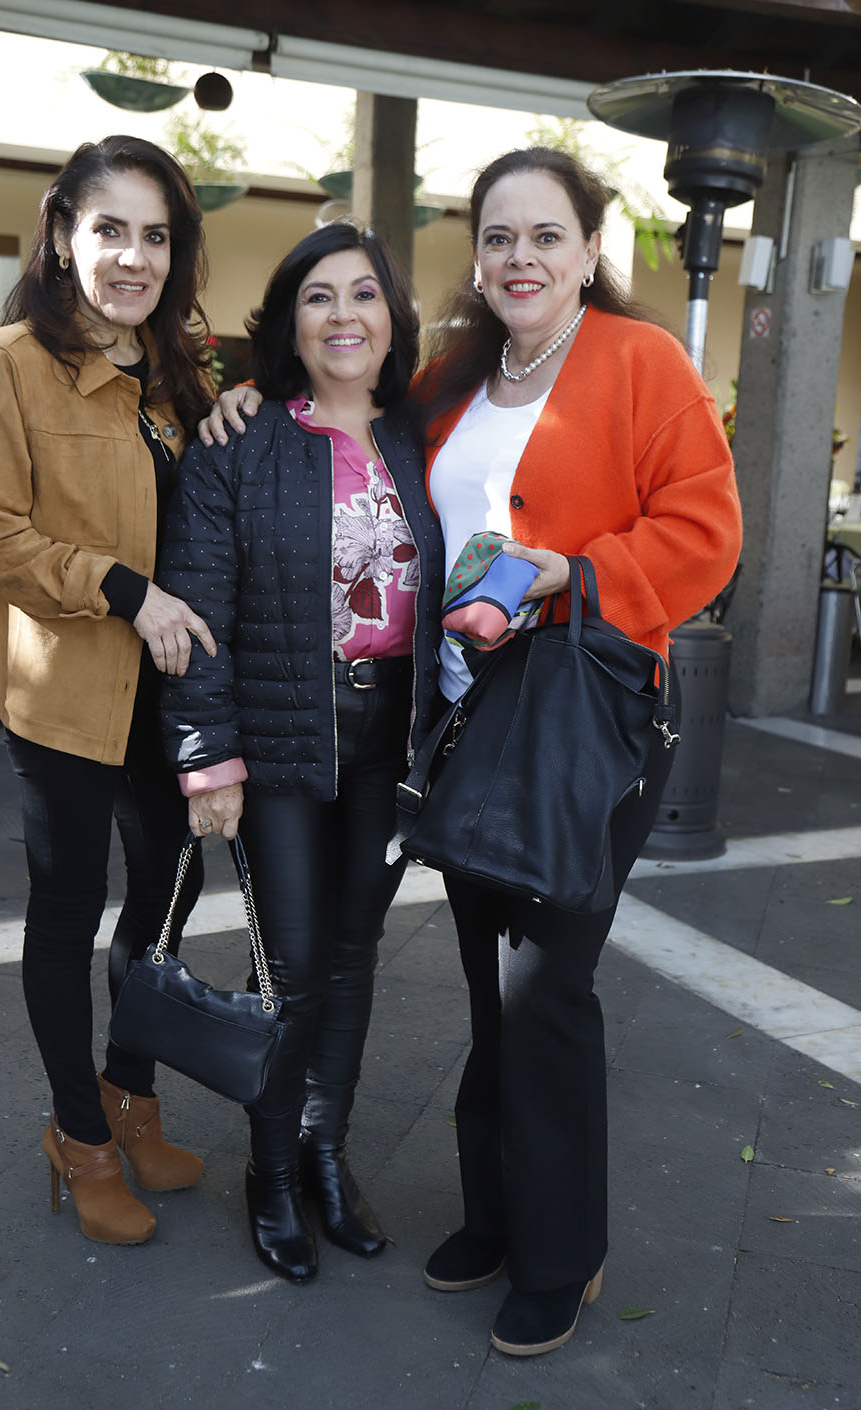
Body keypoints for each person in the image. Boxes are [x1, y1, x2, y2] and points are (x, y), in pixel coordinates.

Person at [207, 148, 742, 1352]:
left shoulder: (637, 361)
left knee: (544, 988)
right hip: (461, 727)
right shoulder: (451, 377)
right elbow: (343, 415)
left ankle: (563, 1253)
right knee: (486, 989)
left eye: (545, 236)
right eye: (498, 237)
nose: (520, 258)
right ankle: (496, 1213)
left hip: (582, 716)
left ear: (589, 251)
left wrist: (578, 573)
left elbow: (705, 532)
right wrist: (241, 392)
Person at [0, 135, 217, 1246]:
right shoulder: (10, 361)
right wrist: (121, 589)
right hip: (61, 682)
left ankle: (128, 1090)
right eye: (112, 230)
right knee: (66, 911)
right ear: (64, 233)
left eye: (155, 236)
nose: (133, 256)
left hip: (171, 690)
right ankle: (79, 1135)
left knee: (164, 898)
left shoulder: (178, 371)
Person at [158, 221, 444, 1284]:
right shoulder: (240, 440)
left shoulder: (419, 435)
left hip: (388, 736)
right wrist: (205, 755)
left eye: (362, 295)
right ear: (288, 323)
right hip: (281, 734)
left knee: (353, 958)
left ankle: (328, 1154)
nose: (342, 316)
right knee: (287, 966)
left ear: (389, 318)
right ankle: (270, 1172)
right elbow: (196, 604)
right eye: (318, 298)